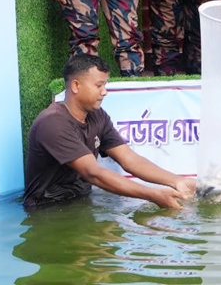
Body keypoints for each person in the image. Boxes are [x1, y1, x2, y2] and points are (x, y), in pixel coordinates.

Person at [23, 54, 196, 210]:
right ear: (76, 85)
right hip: (46, 210)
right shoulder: (53, 122)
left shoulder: (97, 116)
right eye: (99, 85)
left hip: (82, 204)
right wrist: (153, 195)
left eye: (105, 84)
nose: (104, 92)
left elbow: (130, 159)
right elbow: (93, 173)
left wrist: (177, 181)